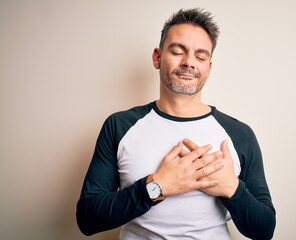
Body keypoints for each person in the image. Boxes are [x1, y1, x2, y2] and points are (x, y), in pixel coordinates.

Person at [76, 8, 276, 240]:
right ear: (157, 57)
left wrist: (232, 188)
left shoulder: (239, 134)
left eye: (200, 56)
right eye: (178, 51)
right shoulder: (119, 126)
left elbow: (264, 230)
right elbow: (88, 219)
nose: (189, 62)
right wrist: (157, 186)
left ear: (209, 68)